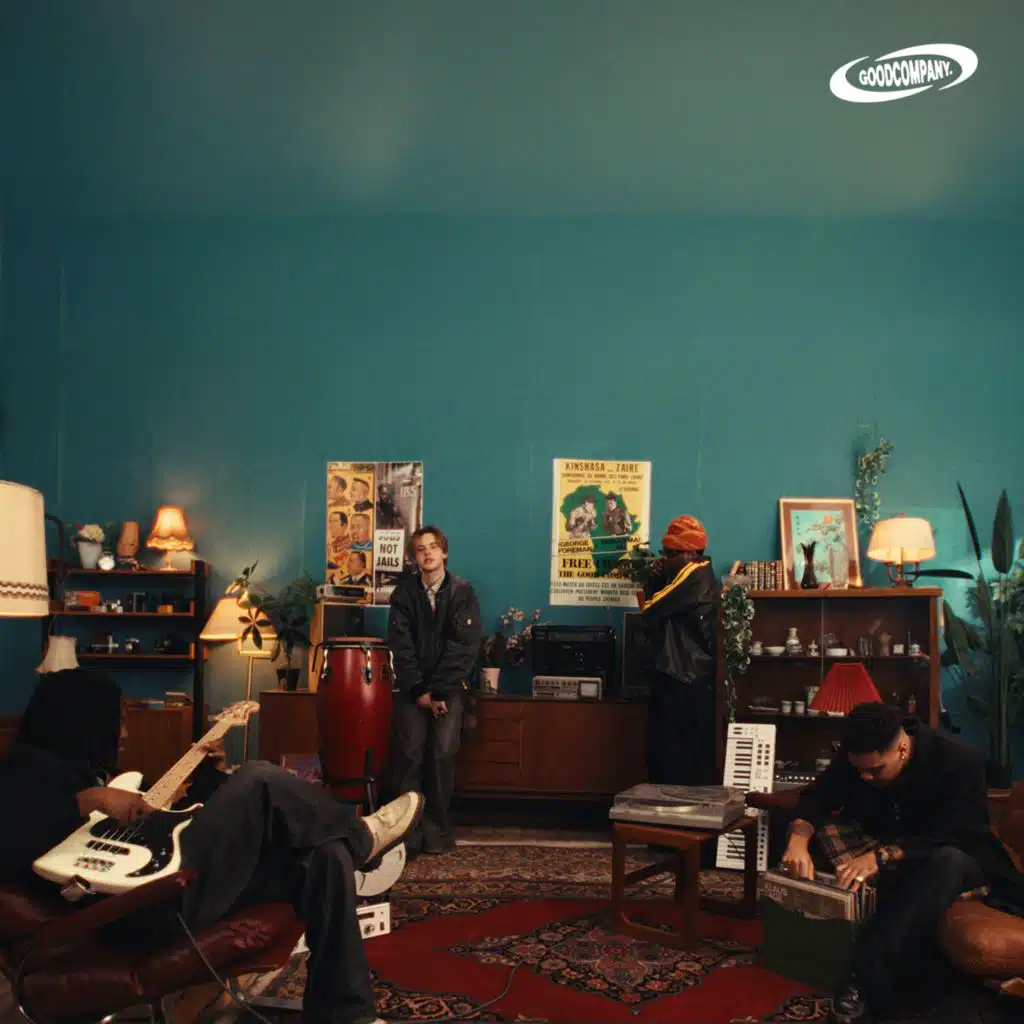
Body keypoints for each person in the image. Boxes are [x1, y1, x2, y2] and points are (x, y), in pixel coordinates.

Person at [0, 668, 424, 1024]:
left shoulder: (88, 775)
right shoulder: (25, 778)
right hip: (137, 911)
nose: (124, 732)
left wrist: (208, 776)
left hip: (163, 883)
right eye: (117, 720)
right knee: (258, 777)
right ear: (82, 723)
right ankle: (363, 838)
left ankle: (346, 1014)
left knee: (324, 855)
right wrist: (87, 801)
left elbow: (167, 822)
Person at [782, 701, 1024, 1023]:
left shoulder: (959, 760)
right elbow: (817, 795)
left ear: (901, 749)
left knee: (946, 862)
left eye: (875, 771)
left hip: (958, 855)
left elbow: (960, 832)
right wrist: (798, 841)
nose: (865, 777)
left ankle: (860, 981)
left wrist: (882, 856)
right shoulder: (859, 760)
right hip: (892, 850)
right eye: (859, 771)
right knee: (820, 832)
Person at [387, 525, 482, 856]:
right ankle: (407, 836)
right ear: (415, 557)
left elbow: (463, 647)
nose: (427, 553)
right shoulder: (403, 594)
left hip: (448, 691)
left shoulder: (462, 593)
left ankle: (437, 833)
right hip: (413, 690)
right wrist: (420, 690)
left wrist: (439, 692)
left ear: (444, 552)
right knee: (409, 756)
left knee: (441, 755)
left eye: (433, 547)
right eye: (420, 549)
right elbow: (401, 646)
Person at [638, 514, 718, 789]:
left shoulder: (691, 575)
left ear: (689, 554)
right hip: (688, 675)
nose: (664, 559)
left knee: (671, 754)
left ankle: (670, 807)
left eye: (669, 553)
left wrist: (652, 579)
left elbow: (649, 609)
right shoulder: (700, 573)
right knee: (680, 752)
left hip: (681, 675)